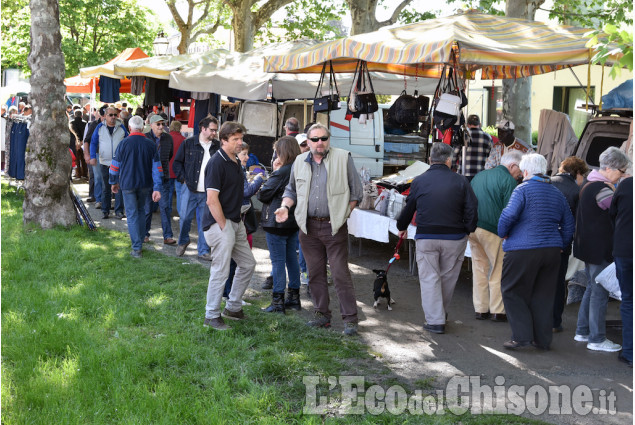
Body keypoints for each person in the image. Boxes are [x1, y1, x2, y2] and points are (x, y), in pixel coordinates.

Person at [275, 123, 363, 336]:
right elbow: (291, 190)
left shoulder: (343, 157)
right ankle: (321, 314)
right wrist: (285, 206)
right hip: (308, 227)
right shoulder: (299, 161)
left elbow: (356, 192)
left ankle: (350, 319)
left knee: (340, 274)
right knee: (314, 273)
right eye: (314, 139)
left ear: (329, 139)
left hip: (334, 227)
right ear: (308, 142)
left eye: (323, 138)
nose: (319, 143)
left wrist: (343, 215)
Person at [397, 142, 478, 335]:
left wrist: (402, 227)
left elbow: (409, 207)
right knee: (447, 278)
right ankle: (439, 315)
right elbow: (472, 209)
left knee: (429, 278)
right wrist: (468, 229)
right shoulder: (461, 181)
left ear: (430, 159)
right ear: (449, 160)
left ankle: (435, 320)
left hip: (427, 237)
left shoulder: (419, 181)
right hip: (455, 238)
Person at [498, 153, 575, 350]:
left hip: (522, 249)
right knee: (543, 295)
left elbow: (508, 215)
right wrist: (560, 246)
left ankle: (521, 336)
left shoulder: (522, 189)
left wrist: (503, 233)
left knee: (512, 290)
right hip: (551, 252)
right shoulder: (557, 193)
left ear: (525, 172)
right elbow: (569, 225)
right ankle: (542, 340)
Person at [574, 147, 631, 353]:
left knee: (591, 287)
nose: (623, 175)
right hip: (599, 249)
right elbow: (619, 211)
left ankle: (582, 331)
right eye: (621, 171)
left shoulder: (589, 184)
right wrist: (619, 192)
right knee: (600, 292)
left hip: (587, 247)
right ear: (610, 168)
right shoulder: (602, 188)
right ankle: (596, 339)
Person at [201, 122, 257, 331]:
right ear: (223, 140)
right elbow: (211, 200)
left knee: (248, 264)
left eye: (240, 139)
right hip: (220, 223)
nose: (240, 143)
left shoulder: (235, 161)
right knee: (221, 270)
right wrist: (224, 226)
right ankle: (211, 315)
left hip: (235, 221)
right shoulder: (217, 163)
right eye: (235, 139)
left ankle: (233, 307)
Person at [469, 151, 522, 323]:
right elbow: (511, 211)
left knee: (479, 269)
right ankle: (498, 311)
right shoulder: (509, 181)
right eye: (519, 169)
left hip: (473, 228)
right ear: (512, 166)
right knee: (498, 270)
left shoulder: (480, 175)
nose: (520, 174)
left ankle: (480, 309)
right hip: (493, 229)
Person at [258, 136, 302, 314]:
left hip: (277, 220)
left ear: (283, 152)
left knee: (278, 262)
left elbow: (263, 194)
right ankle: (294, 297)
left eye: (277, 152)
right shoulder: (300, 168)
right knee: (291, 259)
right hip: (293, 220)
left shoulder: (283, 171)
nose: (275, 155)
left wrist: (275, 171)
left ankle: (278, 302)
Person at [109, 116, 162, 258]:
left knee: (132, 214)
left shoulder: (123, 144)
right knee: (140, 212)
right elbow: (157, 169)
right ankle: (140, 241)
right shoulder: (150, 144)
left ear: (130, 128)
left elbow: (114, 166)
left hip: (127, 184)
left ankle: (137, 247)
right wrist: (157, 187)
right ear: (143, 128)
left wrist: (113, 182)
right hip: (145, 184)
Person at [550, 156, 589, 333]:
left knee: (539, 280)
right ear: (578, 173)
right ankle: (554, 322)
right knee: (557, 283)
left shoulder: (547, 182)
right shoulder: (576, 190)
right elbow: (576, 221)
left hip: (541, 241)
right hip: (561, 244)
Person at [172, 116, 219, 260]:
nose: (214, 133)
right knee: (185, 217)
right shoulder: (188, 143)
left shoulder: (217, 146)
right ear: (203, 129)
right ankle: (183, 240)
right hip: (190, 188)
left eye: (215, 130)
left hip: (208, 191)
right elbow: (177, 163)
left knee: (205, 222)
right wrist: (183, 180)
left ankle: (203, 250)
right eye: (212, 130)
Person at [222, 142, 264, 301]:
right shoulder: (236, 168)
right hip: (236, 219)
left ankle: (230, 294)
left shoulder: (238, 168)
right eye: (244, 154)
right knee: (236, 260)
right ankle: (229, 294)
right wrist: (259, 179)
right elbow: (246, 192)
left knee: (237, 260)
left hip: (241, 219)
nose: (247, 157)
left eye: (247, 153)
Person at [90, 106, 128, 219]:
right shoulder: (99, 127)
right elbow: (93, 142)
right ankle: (105, 210)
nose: (113, 117)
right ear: (105, 116)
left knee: (119, 187)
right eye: (110, 115)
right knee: (106, 187)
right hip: (104, 162)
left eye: (115, 115)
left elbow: (127, 142)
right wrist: (92, 156)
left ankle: (119, 211)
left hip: (119, 163)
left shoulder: (121, 128)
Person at [610, 176, 633, 366]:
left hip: (625, 250)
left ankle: (630, 352)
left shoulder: (626, 185)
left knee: (629, 300)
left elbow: (613, 213)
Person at [145, 114, 175, 245]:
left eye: (163, 124)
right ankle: (145, 234)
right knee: (147, 208)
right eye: (158, 124)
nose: (161, 126)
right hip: (148, 179)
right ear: (151, 125)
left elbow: (169, 155)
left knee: (165, 208)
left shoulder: (168, 138)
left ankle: (167, 236)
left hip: (164, 178)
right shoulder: (146, 138)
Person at [453, 114, 492, 181]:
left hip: (464, 173)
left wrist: (454, 167)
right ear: (480, 124)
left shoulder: (463, 136)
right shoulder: (487, 137)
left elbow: (454, 155)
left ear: (468, 124)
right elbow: (491, 156)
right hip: (480, 174)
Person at [83, 107, 105, 205]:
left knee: (108, 178)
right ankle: (99, 199)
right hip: (96, 154)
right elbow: (87, 140)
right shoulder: (94, 125)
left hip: (110, 156)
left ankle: (105, 200)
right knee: (98, 177)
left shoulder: (116, 125)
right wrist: (87, 154)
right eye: (109, 115)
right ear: (102, 115)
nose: (112, 117)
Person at [169, 120, 186, 214]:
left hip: (168, 169)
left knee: (169, 191)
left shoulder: (166, 138)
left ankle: (168, 211)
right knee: (180, 192)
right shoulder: (183, 139)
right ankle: (181, 212)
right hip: (179, 170)